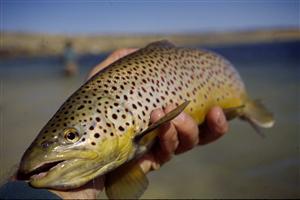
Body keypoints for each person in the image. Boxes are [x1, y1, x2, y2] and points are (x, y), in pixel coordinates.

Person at [0, 49, 229, 199]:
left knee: (227, 112)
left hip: (217, 72)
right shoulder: (111, 122)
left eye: (71, 136)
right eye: (73, 136)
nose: (70, 138)